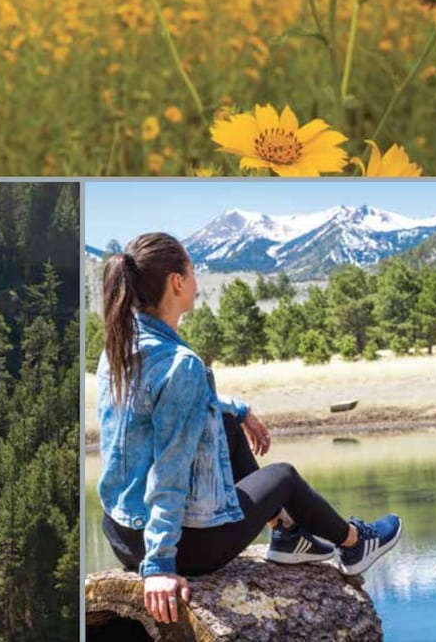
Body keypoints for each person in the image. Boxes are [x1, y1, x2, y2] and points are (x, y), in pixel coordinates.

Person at [97, 232, 402, 626]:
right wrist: (159, 566)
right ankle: (355, 543)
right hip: (186, 548)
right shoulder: (180, 362)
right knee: (285, 477)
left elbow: (169, 408)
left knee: (223, 422)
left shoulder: (120, 344)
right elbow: (168, 474)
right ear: (176, 281)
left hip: (120, 532)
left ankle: (288, 536)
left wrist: (238, 410)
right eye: (192, 271)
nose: (196, 281)